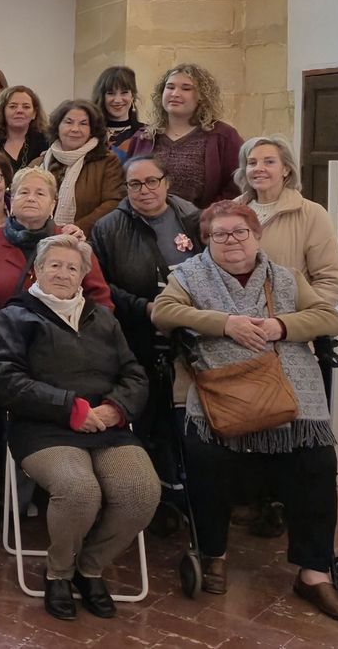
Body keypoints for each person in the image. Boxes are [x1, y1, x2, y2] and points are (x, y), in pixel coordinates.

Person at [150, 201, 338, 621]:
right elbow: (163, 312)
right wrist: (224, 323)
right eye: (219, 234)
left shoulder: (286, 278)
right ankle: (214, 554)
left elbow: (328, 319)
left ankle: (314, 572)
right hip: (220, 393)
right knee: (206, 454)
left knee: (316, 461)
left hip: (290, 393)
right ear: (207, 241)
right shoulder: (188, 276)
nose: (230, 241)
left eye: (239, 232)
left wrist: (281, 326)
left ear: (256, 236)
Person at [0, 235, 158, 620]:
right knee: (79, 489)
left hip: (108, 426)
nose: (62, 273)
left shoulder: (104, 319)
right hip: (44, 428)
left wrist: (116, 409)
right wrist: (70, 408)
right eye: (54, 265)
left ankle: (90, 567)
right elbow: (6, 380)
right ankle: (59, 571)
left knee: (141, 492)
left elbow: (135, 373)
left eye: (72, 267)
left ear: (83, 275)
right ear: (37, 270)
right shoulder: (14, 317)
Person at [90, 155, 202, 515]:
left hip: (191, 337)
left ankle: (184, 493)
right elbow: (101, 285)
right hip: (136, 334)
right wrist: (145, 308)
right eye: (135, 184)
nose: (145, 190)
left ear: (166, 182)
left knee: (186, 420)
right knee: (146, 417)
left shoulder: (193, 218)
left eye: (152, 181)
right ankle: (147, 500)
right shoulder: (109, 228)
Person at [0, 167, 114, 310]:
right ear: (12, 201)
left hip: (63, 332)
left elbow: (100, 300)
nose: (31, 198)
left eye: (40, 194)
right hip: (2, 331)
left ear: (52, 205)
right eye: (24, 192)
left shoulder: (71, 242)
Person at [236, 136, 338, 307]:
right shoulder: (228, 211)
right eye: (252, 163)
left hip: (288, 325)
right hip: (234, 323)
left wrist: (295, 319)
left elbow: (332, 281)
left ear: (286, 169)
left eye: (269, 162)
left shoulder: (311, 214)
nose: (259, 169)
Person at [124, 63, 244, 208]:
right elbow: (127, 185)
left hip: (199, 225)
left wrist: (207, 217)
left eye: (186, 88)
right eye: (170, 87)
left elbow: (237, 185)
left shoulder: (222, 136)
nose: (175, 94)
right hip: (144, 224)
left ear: (202, 96)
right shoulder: (144, 137)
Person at [36, 99, 126, 233]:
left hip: (88, 242)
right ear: (57, 127)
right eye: (68, 122)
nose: (75, 129)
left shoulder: (108, 162)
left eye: (83, 124)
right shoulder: (39, 163)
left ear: (92, 130)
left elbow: (113, 203)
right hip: (40, 241)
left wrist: (74, 230)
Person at [0, 85, 50, 171]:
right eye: (13, 106)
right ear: (2, 111)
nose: (19, 110)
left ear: (34, 113)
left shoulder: (46, 143)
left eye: (26, 107)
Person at [93, 65, 142, 153]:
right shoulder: (90, 133)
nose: (118, 100)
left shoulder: (147, 135)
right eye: (111, 93)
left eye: (124, 93)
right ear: (102, 97)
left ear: (132, 96)